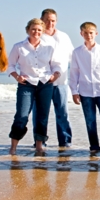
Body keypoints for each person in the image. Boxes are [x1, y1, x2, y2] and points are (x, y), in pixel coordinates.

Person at [6, 18, 64, 155]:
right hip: (26, 84)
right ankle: (13, 147)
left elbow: (57, 64)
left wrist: (55, 75)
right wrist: (17, 77)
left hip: (45, 84)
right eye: (33, 29)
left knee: (42, 116)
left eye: (39, 30)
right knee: (22, 115)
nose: (36, 32)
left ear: (42, 31)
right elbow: (10, 65)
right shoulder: (19, 47)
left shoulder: (49, 47)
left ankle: (39, 146)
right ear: (28, 30)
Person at [69, 22, 100, 155]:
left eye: (91, 33)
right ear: (81, 34)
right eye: (85, 33)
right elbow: (74, 72)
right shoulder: (77, 52)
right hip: (85, 92)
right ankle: (94, 146)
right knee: (90, 121)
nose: (88, 35)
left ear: (96, 33)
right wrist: (74, 91)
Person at [30, 8, 74, 148]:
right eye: (47, 20)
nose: (50, 23)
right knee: (40, 114)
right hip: (41, 82)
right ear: (41, 20)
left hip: (61, 81)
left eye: (53, 20)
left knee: (62, 113)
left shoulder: (64, 37)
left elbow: (73, 58)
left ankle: (65, 142)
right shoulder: (37, 36)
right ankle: (40, 142)